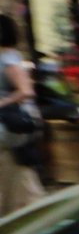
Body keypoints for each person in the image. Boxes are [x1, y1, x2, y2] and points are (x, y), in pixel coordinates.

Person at [0, 14, 42, 215]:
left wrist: (2, 102)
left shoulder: (7, 58)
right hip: (10, 131)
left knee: (17, 175)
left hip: (8, 129)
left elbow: (25, 90)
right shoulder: (8, 56)